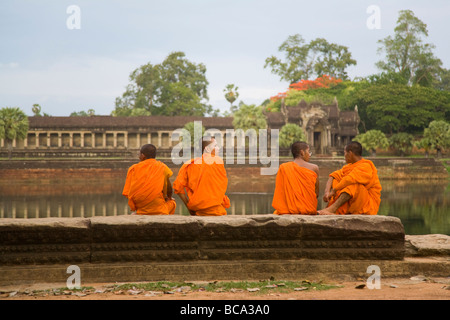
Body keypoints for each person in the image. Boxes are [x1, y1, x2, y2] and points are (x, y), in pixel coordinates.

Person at [317, 141, 381, 215]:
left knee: (353, 186)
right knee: (336, 181)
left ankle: (332, 209)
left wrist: (334, 191)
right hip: (354, 203)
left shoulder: (366, 166)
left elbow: (349, 179)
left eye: (344, 153)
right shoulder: (349, 166)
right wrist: (327, 192)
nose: (344, 156)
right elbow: (333, 176)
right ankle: (332, 209)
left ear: (350, 153)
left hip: (367, 204)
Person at [173, 136, 230, 216]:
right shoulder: (218, 161)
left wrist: (189, 207)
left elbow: (178, 188)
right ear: (207, 149)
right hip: (217, 211)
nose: (218, 148)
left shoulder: (189, 165)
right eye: (215, 146)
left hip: (197, 210)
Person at [122, 144, 176, 215]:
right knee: (172, 203)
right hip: (158, 208)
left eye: (139, 154)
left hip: (140, 206)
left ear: (143, 155)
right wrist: (168, 197)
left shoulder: (133, 169)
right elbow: (169, 189)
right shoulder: (162, 167)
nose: (139, 156)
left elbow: (128, 193)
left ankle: (140, 211)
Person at [272, 141, 319, 215]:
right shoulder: (314, 168)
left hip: (287, 212)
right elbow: (316, 193)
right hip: (308, 210)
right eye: (308, 151)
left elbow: (281, 193)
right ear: (302, 152)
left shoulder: (284, 168)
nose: (309, 155)